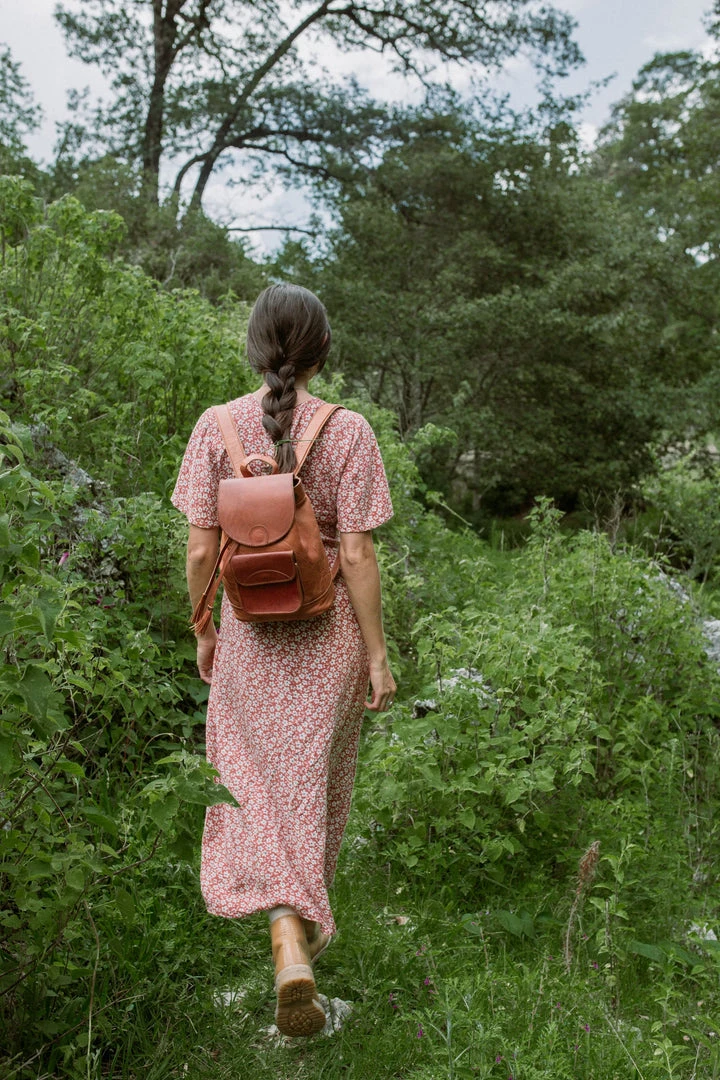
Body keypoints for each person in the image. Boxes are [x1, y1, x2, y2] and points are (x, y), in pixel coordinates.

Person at [171, 283, 396, 1037]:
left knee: (254, 793)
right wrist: (377, 656)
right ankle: (296, 951)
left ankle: (287, 946)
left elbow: (200, 549)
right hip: (330, 638)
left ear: (254, 347)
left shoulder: (215, 427)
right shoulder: (350, 430)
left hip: (248, 635)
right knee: (310, 795)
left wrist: (204, 628)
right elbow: (356, 554)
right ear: (322, 350)